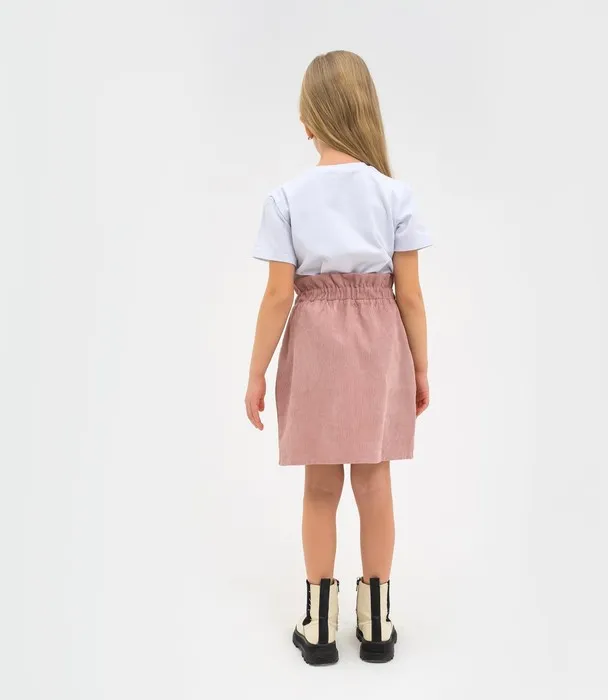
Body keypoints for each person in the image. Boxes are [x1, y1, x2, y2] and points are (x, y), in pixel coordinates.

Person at [245, 50, 431, 666]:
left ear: (308, 120)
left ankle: (319, 623)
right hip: (380, 343)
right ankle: (376, 622)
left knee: (320, 487)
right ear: (365, 110)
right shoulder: (395, 195)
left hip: (316, 342)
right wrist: (420, 368)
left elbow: (278, 295)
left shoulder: (286, 198)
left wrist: (256, 372)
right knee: (374, 482)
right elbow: (411, 295)